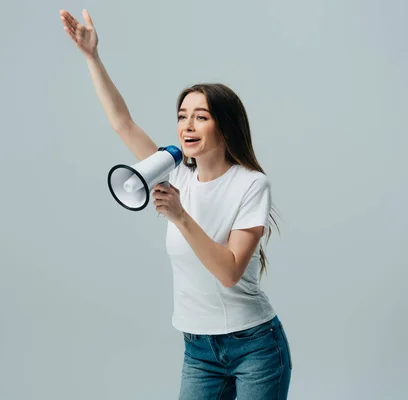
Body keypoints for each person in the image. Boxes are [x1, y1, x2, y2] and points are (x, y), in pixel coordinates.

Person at [59, 9, 292, 399]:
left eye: (201, 117)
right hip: (199, 349)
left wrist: (181, 216)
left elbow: (230, 271)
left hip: (255, 346)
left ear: (225, 126)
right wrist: (92, 57)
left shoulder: (252, 185)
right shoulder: (175, 173)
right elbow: (122, 123)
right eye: (182, 116)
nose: (187, 125)